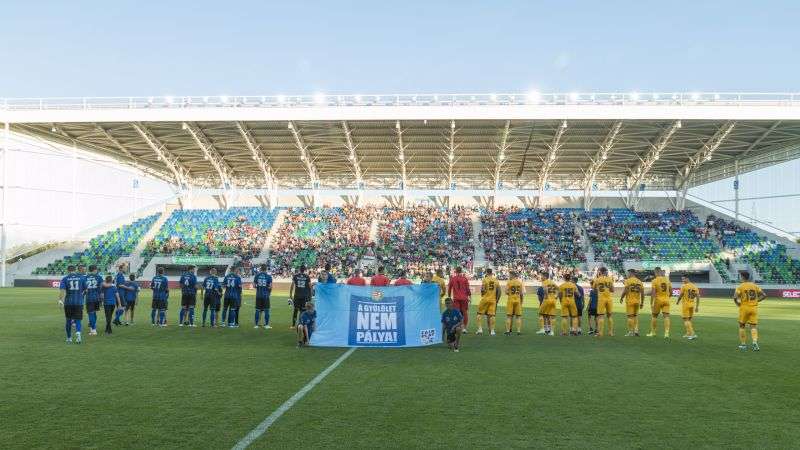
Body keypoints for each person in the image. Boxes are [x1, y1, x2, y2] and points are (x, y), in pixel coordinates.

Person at [734, 271, 765, 351]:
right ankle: (754, 342)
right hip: (753, 308)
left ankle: (743, 344)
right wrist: (756, 301)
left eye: (740, 276)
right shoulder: (755, 286)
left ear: (743, 277)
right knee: (753, 326)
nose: (740, 278)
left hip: (744, 308)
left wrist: (737, 303)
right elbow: (764, 295)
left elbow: (735, 297)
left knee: (742, 325)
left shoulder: (740, 286)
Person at [58, 265, 86, 344]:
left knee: (68, 320)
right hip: (79, 302)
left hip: (68, 303)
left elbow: (62, 291)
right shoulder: (81, 278)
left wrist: (60, 300)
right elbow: (86, 290)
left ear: (68, 270)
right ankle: (78, 334)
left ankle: (69, 338)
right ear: (75, 270)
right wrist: (81, 295)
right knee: (78, 320)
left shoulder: (65, 279)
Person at [647, 267, 672, 339]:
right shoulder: (667, 280)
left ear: (655, 272)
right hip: (666, 300)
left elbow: (653, 293)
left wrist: (651, 303)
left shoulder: (654, 281)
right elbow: (671, 292)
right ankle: (666, 333)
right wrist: (667, 297)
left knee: (654, 316)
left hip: (658, 300)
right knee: (666, 316)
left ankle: (653, 332)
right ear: (661, 272)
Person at [619, 269, 644, 336]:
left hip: (630, 301)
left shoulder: (628, 281)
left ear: (631, 273)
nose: (627, 274)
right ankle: (636, 330)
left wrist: (621, 298)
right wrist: (642, 303)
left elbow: (625, 290)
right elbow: (642, 293)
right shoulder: (639, 281)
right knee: (635, 316)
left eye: (628, 273)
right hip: (637, 301)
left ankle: (631, 332)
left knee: (630, 317)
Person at [476, 268, 500, 335]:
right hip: (493, 300)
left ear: (486, 272)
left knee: (479, 313)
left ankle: (480, 329)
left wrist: (482, 294)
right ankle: (492, 331)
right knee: (492, 315)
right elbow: (499, 291)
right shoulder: (496, 280)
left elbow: (483, 289)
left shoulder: (485, 279)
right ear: (492, 273)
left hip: (485, 298)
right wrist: (496, 300)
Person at [592, 267, 615, 337]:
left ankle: (600, 333)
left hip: (601, 299)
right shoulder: (610, 279)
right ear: (606, 272)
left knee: (600, 316)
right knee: (610, 316)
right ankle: (611, 332)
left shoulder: (597, 279)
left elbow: (594, 289)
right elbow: (612, 290)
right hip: (609, 299)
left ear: (600, 272)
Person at [447, 266, 471, 333]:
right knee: (465, 312)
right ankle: (464, 328)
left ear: (455, 271)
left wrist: (449, 297)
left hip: (456, 298)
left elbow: (449, 289)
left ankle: (457, 327)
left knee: (456, 312)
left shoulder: (453, 279)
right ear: (461, 271)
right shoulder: (465, 279)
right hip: (464, 298)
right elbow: (468, 289)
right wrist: (469, 296)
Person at [676, 275, 700, 340]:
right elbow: (697, 296)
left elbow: (681, 295)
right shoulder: (694, 286)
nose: (682, 281)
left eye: (683, 279)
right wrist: (697, 306)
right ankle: (688, 333)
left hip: (686, 305)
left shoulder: (683, 286)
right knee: (689, 320)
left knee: (685, 320)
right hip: (692, 305)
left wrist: (678, 301)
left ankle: (692, 334)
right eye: (682, 279)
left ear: (687, 279)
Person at [84, 264, 103, 336]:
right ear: (94, 270)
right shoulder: (99, 277)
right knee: (94, 313)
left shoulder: (85, 278)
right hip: (97, 297)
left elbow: (84, 289)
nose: (97, 270)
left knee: (91, 313)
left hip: (89, 298)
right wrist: (101, 299)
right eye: (96, 269)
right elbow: (101, 288)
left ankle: (93, 329)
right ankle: (93, 328)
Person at [538, 271, 559, 336]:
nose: (541, 277)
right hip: (553, 300)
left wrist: (546, 296)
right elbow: (558, 289)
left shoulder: (544, 282)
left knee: (541, 313)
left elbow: (545, 289)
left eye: (542, 276)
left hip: (547, 300)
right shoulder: (552, 282)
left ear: (545, 276)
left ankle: (544, 329)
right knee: (550, 315)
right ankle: (550, 331)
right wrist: (556, 296)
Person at [504, 271, 524, 336]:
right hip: (518, 300)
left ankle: (508, 331)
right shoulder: (520, 282)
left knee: (509, 316)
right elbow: (521, 293)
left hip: (511, 300)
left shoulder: (509, 282)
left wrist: (510, 293)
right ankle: (518, 331)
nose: (509, 276)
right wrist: (521, 301)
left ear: (512, 275)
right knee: (518, 316)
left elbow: (506, 292)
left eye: (510, 275)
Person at [254, 264, 273, 329]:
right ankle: (266, 325)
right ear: (266, 269)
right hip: (265, 295)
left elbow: (254, 286)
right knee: (266, 310)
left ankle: (256, 325)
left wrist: (259, 287)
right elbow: (270, 286)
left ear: (261, 269)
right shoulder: (268, 276)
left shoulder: (257, 276)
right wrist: (268, 290)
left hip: (258, 295)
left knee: (257, 310)